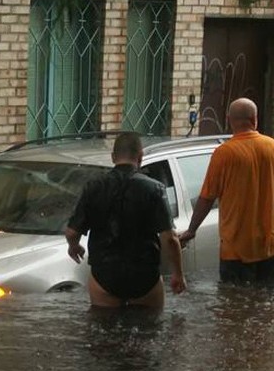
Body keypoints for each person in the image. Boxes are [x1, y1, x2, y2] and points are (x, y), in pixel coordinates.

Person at [64, 131, 186, 308]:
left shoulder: (93, 187)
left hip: (105, 275)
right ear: (140, 156)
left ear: (113, 157)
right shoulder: (154, 189)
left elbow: (71, 232)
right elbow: (170, 239)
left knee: (105, 329)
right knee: (148, 329)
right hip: (144, 276)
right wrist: (178, 274)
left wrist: (73, 246)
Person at [179, 97, 274, 285]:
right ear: (255, 119)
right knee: (267, 306)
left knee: (233, 306)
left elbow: (207, 197)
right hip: (270, 246)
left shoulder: (224, 154)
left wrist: (191, 230)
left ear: (228, 120)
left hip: (236, 250)